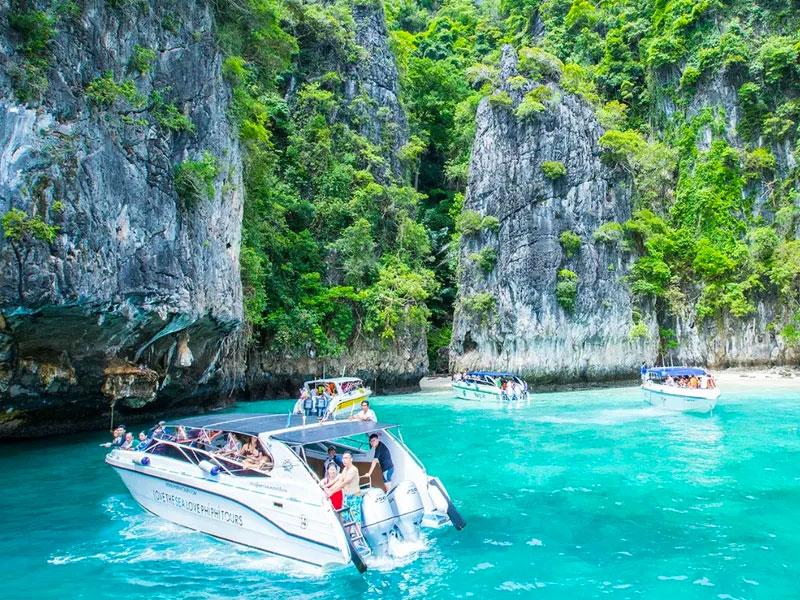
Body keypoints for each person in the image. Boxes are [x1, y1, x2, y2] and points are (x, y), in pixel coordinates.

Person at [323, 452, 362, 537]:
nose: (344, 460)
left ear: (351, 459)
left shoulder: (353, 470)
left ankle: (358, 539)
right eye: (343, 458)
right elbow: (339, 482)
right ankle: (347, 537)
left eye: (346, 458)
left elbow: (344, 483)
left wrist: (331, 492)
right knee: (346, 518)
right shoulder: (344, 470)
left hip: (354, 496)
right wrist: (330, 490)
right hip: (347, 497)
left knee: (356, 518)